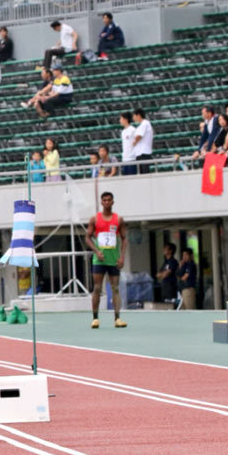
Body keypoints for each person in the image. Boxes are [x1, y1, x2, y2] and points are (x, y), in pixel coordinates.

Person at [85, 192, 128, 329]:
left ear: (113, 202)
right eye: (104, 200)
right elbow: (87, 237)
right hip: (99, 259)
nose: (107, 202)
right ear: (101, 202)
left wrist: (122, 257)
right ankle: (95, 318)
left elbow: (124, 238)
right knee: (97, 288)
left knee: (115, 288)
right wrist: (96, 251)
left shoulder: (118, 219)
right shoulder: (95, 219)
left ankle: (117, 318)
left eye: (109, 200)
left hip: (113, 260)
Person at [132, 108, 154, 174]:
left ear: (138, 115)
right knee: (141, 173)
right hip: (140, 153)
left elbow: (139, 136)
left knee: (145, 173)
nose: (133, 118)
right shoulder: (142, 125)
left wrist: (134, 142)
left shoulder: (145, 123)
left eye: (134, 116)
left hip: (143, 153)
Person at [120, 112, 137, 176]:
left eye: (121, 119)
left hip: (132, 159)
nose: (120, 121)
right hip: (125, 159)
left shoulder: (133, 130)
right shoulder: (123, 131)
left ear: (126, 119)